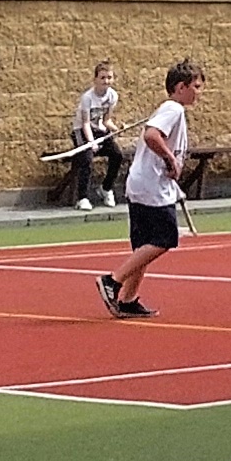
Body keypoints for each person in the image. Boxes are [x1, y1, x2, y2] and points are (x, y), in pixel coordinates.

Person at [97, 59, 204, 319]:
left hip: (143, 183)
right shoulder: (173, 109)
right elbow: (151, 135)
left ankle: (128, 299)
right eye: (196, 87)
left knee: (144, 245)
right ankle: (113, 280)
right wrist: (170, 159)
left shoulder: (170, 110)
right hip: (151, 186)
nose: (199, 92)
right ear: (181, 87)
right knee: (164, 239)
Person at [65, 61, 125, 208]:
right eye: (102, 77)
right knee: (86, 158)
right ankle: (82, 198)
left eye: (109, 77)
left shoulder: (112, 96)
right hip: (82, 130)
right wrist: (91, 142)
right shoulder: (87, 98)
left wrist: (117, 129)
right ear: (95, 79)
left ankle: (106, 188)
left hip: (98, 130)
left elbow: (106, 120)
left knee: (117, 155)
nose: (106, 81)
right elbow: (85, 123)